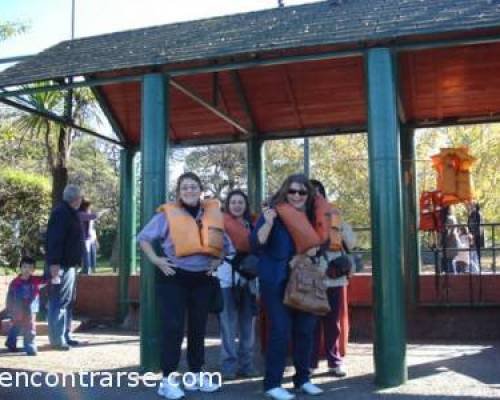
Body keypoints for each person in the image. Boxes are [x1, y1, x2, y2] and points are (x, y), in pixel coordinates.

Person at [137, 172, 234, 400]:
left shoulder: (212, 214)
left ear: (200, 190)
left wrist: (217, 261)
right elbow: (143, 238)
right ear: (179, 192)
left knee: (198, 329)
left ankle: (195, 375)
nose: (189, 191)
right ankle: (167, 380)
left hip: (202, 279)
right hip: (174, 278)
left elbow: (226, 246)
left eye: (193, 187)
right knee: (173, 328)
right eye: (184, 188)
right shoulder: (167, 215)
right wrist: (156, 260)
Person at [250, 174, 325, 400]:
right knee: (280, 330)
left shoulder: (313, 216)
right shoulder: (273, 213)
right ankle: (272, 384)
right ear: (285, 192)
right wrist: (269, 222)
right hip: (276, 280)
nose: (296, 196)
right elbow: (256, 244)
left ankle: (302, 379)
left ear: (308, 195)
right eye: (292, 191)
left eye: (302, 192)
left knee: (305, 330)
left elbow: (319, 246)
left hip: (304, 280)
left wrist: (313, 253)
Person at [309, 179, 356, 378]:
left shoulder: (337, 218)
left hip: (334, 278)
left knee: (333, 323)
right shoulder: (302, 219)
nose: (316, 196)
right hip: (310, 279)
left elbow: (352, 244)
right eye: (312, 193)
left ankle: (334, 361)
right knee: (310, 324)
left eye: (319, 192)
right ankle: (309, 363)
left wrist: (340, 228)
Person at [217, 189, 258, 380]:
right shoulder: (219, 224)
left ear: (246, 204)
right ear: (228, 204)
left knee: (248, 327)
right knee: (228, 326)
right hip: (226, 281)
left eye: (240, 202)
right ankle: (228, 367)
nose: (237, 205)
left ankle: (247, 365)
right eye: (233, 202)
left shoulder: (253, 224)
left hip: (249, 282)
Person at [46, 184, 84, 350]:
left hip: (68, 265)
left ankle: (65, 335)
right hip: (61, 265)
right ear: (76, 199)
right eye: (80, 197)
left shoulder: (68, 212)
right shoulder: (61, 213)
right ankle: (57, 339)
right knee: (59, 301)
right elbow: (54, 240)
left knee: (67, 301)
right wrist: (54, 263)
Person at [5, 256, 48, 355]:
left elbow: (47, 280)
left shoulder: (36, 280)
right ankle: (11, 342)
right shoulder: (15, 283)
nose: (27, 270)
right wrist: (9, 310)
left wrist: (53, 273)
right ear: (20, 268)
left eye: (30, 268)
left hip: (31, 309)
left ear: (33, 270)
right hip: (18, 309)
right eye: (24, 267)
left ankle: (29, 346)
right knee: (16, 326)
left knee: (30, 327)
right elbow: (10, 297)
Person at [78, 199, 99, 274]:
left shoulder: (86, 214)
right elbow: (94, 216)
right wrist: (101, 212)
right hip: (83, 237)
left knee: (91, 253)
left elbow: (92, 227)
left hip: (90, 237)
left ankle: (90, 268)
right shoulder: (80, 214)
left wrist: (95, 239)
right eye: (89, 207)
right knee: (86, 253)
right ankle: (86, 269)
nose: (90, 209)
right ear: (85, 207)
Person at [468, 202, 484, 268]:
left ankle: (478, 266)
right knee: (471, 251)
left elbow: (479, 226)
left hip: (477, 236)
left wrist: (475, 235)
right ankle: (473, 266)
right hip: (471, 235)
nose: (471, 206)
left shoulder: (478, 214)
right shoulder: (471, 214)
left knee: (477, 251)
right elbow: (468, 224)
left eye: (472, 205)